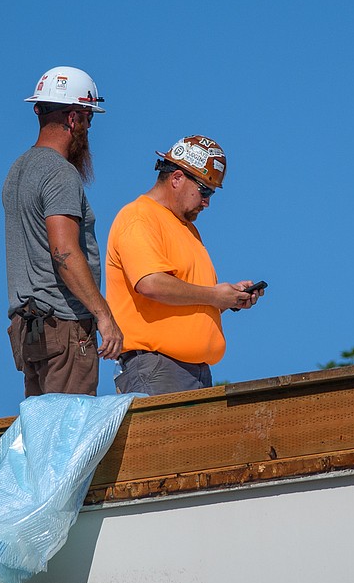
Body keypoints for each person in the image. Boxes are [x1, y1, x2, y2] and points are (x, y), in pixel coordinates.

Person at [105, 135, 264, 394]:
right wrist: (214, 295)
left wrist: (227, 299)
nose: (207, 202)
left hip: (192, 371)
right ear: (177, 178)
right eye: (205, 190)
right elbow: (151, 283)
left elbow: (183, 301)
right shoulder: (139, 217)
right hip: (158, 368)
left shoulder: (186, 228)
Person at [4, 66, 123, 396]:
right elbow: (64, 252)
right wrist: (104, 316)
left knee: (42, 434)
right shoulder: (59, 173)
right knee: (69, 435)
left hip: (30, 332)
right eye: (89, 119)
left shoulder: (18, 171)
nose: (88, 128)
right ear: (74, 118)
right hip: (64, 327)